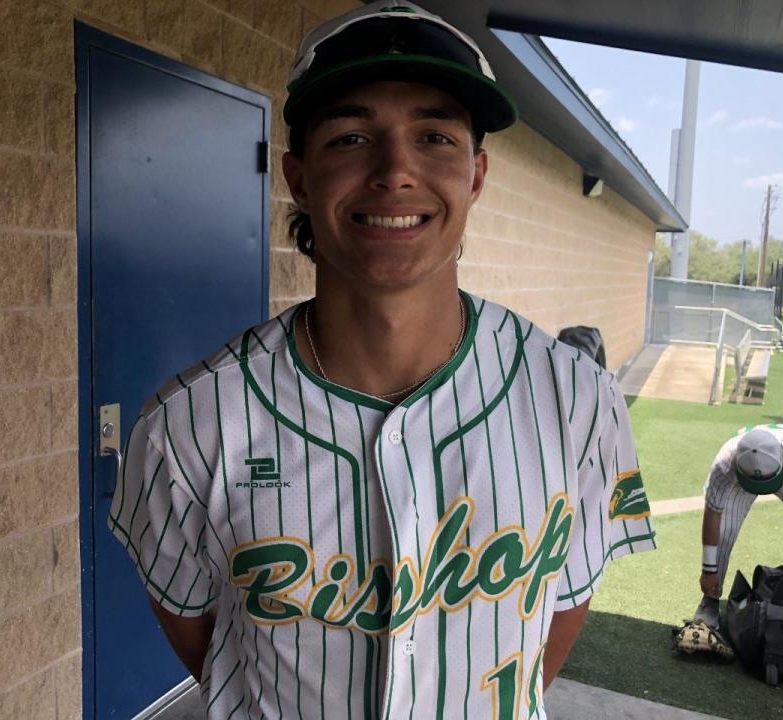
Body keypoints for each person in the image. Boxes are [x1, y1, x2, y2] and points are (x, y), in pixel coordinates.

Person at [109, 3, 655, 718]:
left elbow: (557, 616)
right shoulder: (187, 426)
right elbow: (205, 638)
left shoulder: (580, 400)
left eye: (434, 136)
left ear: (477, 175)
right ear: (299, 178)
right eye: (351, 137)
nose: (395, 171)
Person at [693, 424, 783, 629]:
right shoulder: (724, 463)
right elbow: (713, 513)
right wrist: (708, 570)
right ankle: (709, 602)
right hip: (740, 482)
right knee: (724, 534)